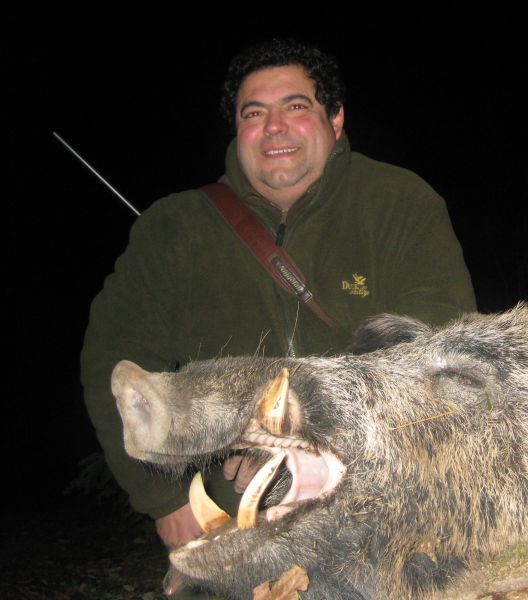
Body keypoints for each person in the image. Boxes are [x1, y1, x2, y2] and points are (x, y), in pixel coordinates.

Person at [81, 38, 475, 595]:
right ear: (237, 130)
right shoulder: (175, 228)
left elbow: (439, 354)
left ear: (335, 119)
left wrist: (305, 449)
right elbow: (113, 361)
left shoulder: (400, 203)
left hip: (382, 510)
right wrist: (164, 501)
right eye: (254, 113)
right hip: (236, 519)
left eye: (295, 106)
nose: (274, 127)